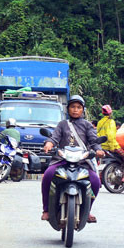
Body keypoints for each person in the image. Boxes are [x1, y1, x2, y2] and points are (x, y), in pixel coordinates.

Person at [40, 95, 104, 223]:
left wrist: (98, 150)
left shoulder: (87, 125)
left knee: (96, 182)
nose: (75, 110)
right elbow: (54, 137)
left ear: (83, 110)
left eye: (78, 107)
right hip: (62, 159)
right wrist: (49, 144)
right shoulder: (62, 124)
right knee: (47, 175)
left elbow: (93, 140)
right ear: (68, 109)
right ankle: (46, 209)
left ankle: (87, 210)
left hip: (82, 161)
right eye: (73, 107)